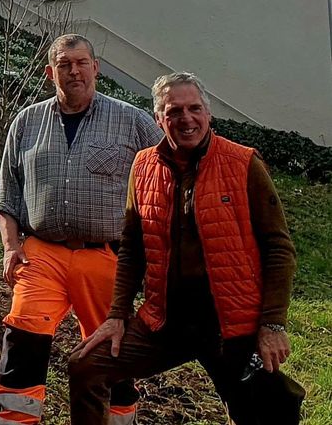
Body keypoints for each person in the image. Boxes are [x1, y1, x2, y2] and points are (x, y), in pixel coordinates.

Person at [69, 72, 303, 425]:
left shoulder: (243, 163)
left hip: (230, 327)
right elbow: (132, 247)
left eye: (194, 108)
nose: (186, 118)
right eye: (174, 111)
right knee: (87, 366)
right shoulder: (143, 166)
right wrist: (118, 315)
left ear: (208, 114)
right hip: (165, 324)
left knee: (265, 411)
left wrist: (271, 324)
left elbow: (278, 248)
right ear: (159, 118)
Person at [0, 34, 161, 425]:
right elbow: (7, 193)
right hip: (42, 251)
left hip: (105, 254)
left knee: (110, 348)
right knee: (23, 333)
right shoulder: (27, 121)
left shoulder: (131, 121)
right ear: (51, 72)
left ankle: (119, 419)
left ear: (96, 68)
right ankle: (14, 421)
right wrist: (9, 245)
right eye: (64, 64)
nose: (74, 71)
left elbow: (164, 175)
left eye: (81, 62)